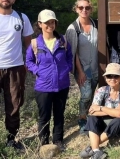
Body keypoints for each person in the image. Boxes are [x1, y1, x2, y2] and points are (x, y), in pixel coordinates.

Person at [0, 0, 33, 150]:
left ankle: (11, 140)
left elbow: (28, 42)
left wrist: (28, 62)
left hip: (15, 68)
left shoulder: (21, 18)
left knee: (14, 106)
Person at [26, 9, 72, 150]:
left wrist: (66, 69)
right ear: (40, 24)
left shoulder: (62, 41)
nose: (50, 25)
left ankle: (58, 141)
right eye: (46, 23)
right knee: (44, 117)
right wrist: (37, 70)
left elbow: (70, 57)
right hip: (43, 86)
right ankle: (44, 143)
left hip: (62, 84)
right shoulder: (35, 43)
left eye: (52, 22)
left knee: (59, 114)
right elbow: (28, 61)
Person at [79, 63, 120, 159]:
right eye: (109, 76)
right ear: (105, 78)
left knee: (118, 121)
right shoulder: (101, 90)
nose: (112, 79)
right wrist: (113, 110)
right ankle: (97, 151)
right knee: (92, 118)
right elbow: (92, 111)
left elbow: (119, 114)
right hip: (106, 123)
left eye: (116, 76)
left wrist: (101, 108)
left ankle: (93, 146)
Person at [65, 0, 98, 135]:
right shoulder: (73, 29)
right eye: (81, 7)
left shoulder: (97, 24)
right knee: (86, 95)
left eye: (87, 8)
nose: (84, 10)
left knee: (94, 95)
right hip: (83, 68)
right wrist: (80, 72)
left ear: (91, 9)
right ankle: (82, 120)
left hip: (97, 66)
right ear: (76, 9)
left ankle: (92, 119)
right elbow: (73, 53)